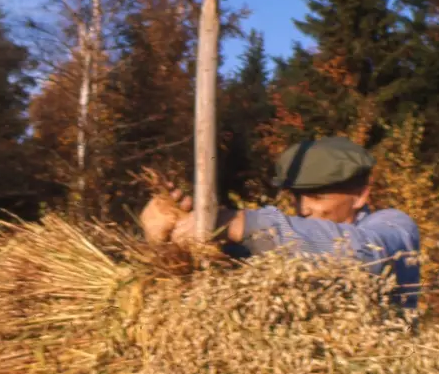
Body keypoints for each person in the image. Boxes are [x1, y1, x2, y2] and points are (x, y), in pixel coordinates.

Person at [139, 135, 421, 318]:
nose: (303, 208)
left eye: (317, 196)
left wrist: (239, 223)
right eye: (297, 197)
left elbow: (364, 255)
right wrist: (181, 238)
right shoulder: (293, 242)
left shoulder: (393, 227)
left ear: (360, 195)